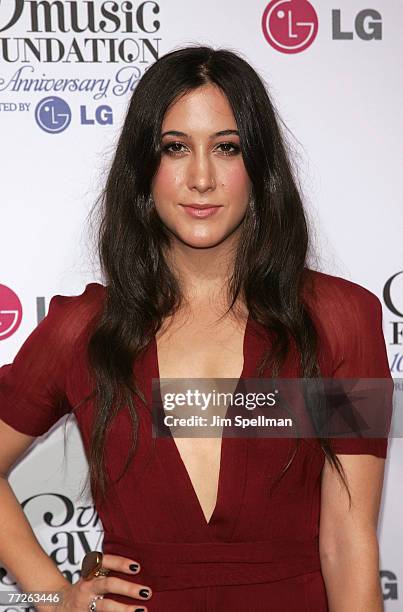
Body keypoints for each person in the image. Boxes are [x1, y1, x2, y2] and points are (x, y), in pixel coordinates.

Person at [0, 45, 393, 612]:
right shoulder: (83, 331)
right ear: (143, 165)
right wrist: (56, 599)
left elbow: (347, 544)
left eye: (226, 148)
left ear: (259, 166)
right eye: (175, 148)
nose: (202, 177)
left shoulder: (338, 320)